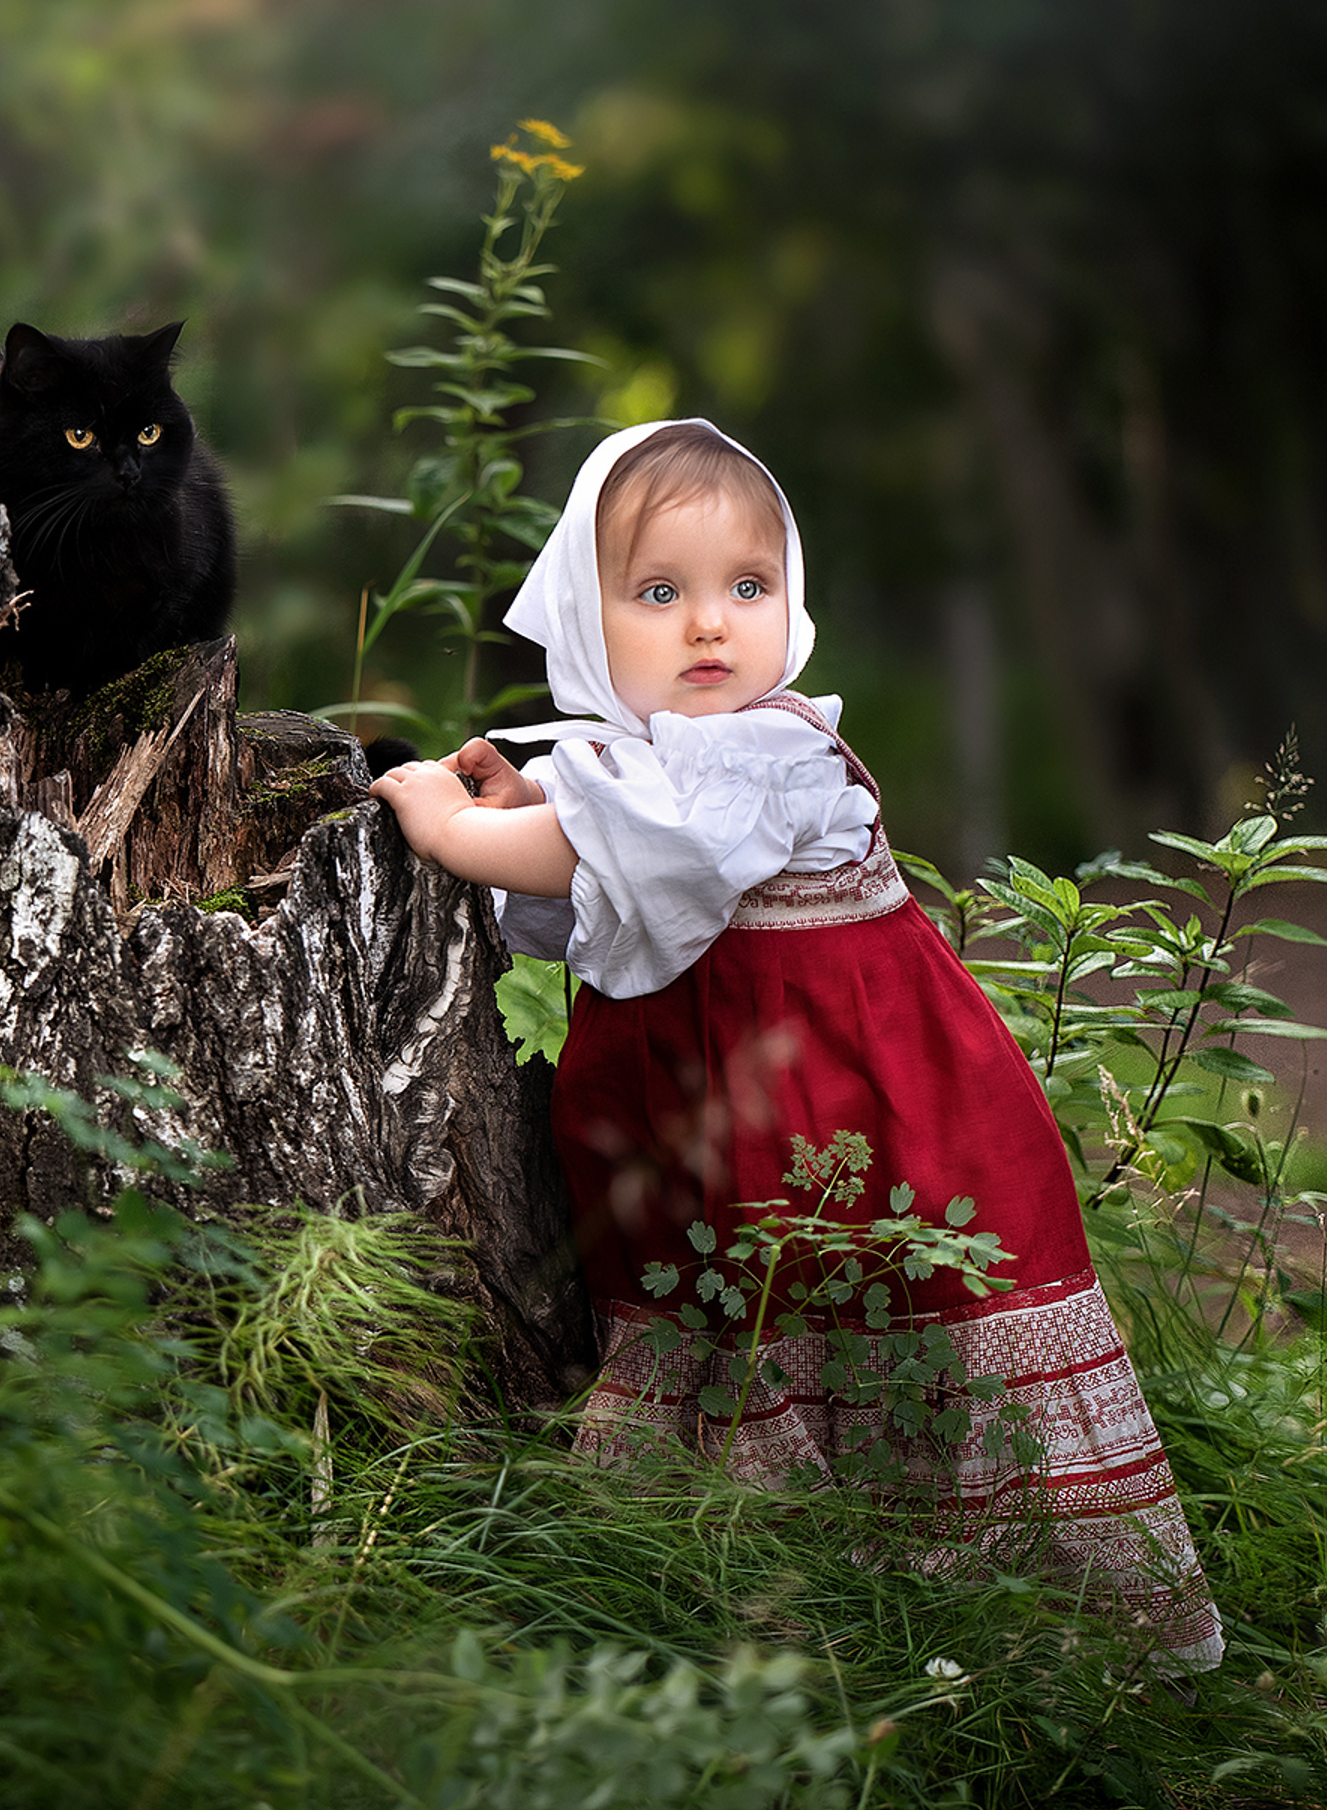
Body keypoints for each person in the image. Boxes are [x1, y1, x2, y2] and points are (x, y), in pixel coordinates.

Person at [370, 419, 1223, 1671]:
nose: (710, 625)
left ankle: (1017, 1628)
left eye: (747, 587)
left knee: (885, 1304)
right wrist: (533, 795)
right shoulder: (655, 761)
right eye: (659, 594)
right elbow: (613, 826)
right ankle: (798, 1602)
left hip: (869, 1109)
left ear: (791, 599)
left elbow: (630, 848)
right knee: (760, 1304)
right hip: (754, 1125)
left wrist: (451, 828)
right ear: (583, 618)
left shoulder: (765, 747)